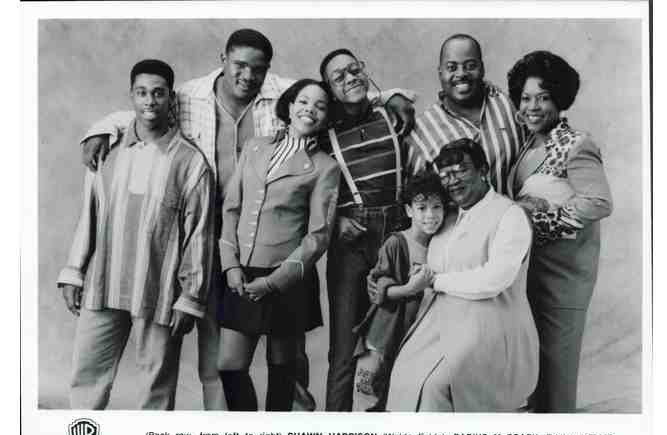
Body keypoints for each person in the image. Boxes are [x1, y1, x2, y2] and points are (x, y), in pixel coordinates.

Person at [79, 29, 416, 411]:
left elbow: (343, 92)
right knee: (223, 360)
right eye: (239, 65)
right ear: (222, 59)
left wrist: (391, 95)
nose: (248, 75)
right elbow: (147, 104)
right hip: (217, 243)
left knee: (287, 363)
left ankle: (285, 429)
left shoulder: (302, 126)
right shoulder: (193, 99)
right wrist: (103, 128)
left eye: (257, 68)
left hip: (286, 262)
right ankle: (237, 429)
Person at [57, 59, 215, 410]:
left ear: (170, 98)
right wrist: (73, 272)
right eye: (142, 93)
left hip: (159, 289)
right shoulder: (107, 153)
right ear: (131, 96)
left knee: (155, 388)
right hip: (103, 282)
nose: (149, 101)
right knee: (86, 378)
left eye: (158, 93)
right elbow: (89, 217)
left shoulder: (191, 162)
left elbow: (199, 236)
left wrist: (190, 298)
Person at [386, 139, 538, 412]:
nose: (452, 181)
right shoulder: (446, 216)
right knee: (402, 377)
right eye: (445, 175)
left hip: (489, 324)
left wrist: (435, 280)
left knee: (435, 387)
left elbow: (495, 279)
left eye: (460, 171)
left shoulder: (509, 215)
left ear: (483, 170)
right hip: (437, 323)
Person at [217, 79, 339, 411]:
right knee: (229, 365)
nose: (310, 110)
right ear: (289, 105)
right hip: (241, 272)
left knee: (282, 371)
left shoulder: (325, 167)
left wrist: (274, 282)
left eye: (320, 106)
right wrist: (230, 265)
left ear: (328, 117)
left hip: (287, 279)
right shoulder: (255, 147)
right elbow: (231, 208)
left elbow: (318, 237)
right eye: (303, 101)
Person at [506, 51, 613, 413]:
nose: (532, 107)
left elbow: (598, 202)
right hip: (529, 275)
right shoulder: (528, 143)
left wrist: (542, 221)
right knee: (532, 377)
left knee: (556, 383)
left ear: (560, 98)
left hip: (563, 279)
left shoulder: (576, 143)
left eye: (543, 97)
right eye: (525, 98)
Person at [320, 48, 416, 411]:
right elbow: (303, 187)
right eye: (339, 77)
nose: (350, 79)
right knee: (345, 346)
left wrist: (393, 96)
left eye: (354, 69)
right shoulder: (322, 131)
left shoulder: (391, 115)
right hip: (352, 238)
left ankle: (381, 426)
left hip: (396, 232)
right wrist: (334, 221)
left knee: (394, 339)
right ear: (330, 91)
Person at [351, 172, 446, 411]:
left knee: (400, 401)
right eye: (422, 208)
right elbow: (379, 289)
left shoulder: (442, 244)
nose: (430, 215)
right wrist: (409, 288)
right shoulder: (396, 243)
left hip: (414, 340)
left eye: (437, 207)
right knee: (367, 399)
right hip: (383, 338)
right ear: (409, 210)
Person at [406, 34, 523, 195]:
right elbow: (417, 198)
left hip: (516, 209)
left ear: (482, 69)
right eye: (451, 67)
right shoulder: (420, 135)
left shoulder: (507, 104)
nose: (461, 74)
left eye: (470, 66)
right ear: (440, 73)